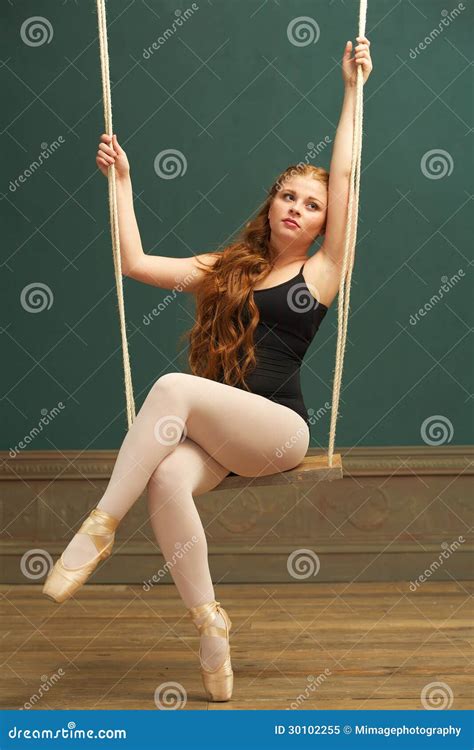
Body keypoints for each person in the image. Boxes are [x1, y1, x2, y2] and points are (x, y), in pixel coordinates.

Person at [42, 37, 373, 702]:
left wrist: (352, 88)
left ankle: (101, 525)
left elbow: (347, 177)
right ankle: (210, 627)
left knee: (171, 389)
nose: (296, 209)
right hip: (223, 439)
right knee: (166, 476)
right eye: (287, 196)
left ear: (323, 222)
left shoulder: (324, 270)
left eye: (310, 205)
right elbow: (135, 263)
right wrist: (124, 184)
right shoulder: (226, 271)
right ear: (271, 202)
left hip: (281, 432)